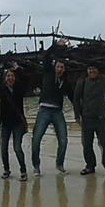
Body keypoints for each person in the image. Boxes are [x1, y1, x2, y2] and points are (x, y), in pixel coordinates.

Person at [32, 39, 73, 177]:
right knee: (36, 139)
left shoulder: (65, 82)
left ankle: (59, 164)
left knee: (63, 140)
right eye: (58, 66)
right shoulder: (48, 72)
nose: (60, 69)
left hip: (57, 111)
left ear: (64, 69)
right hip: (44, 110)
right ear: (55, 67)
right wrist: (56, 45)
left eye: (62, 67)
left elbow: (73, 97)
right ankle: (36, 166)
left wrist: (80, 112)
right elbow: (47, 56)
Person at [0, 61, 30, 181]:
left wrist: (17, 69)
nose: (10, 78)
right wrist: (1, 68)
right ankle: (6, 170)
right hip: (5, 124)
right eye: (8, 76)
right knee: (3, 148)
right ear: (5, 79)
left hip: (18, 123)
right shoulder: (2, 90)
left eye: (12, 76)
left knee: (17, 148)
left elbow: (25, 79)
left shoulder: (19, 89)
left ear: (15, 78)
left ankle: (23, 170)